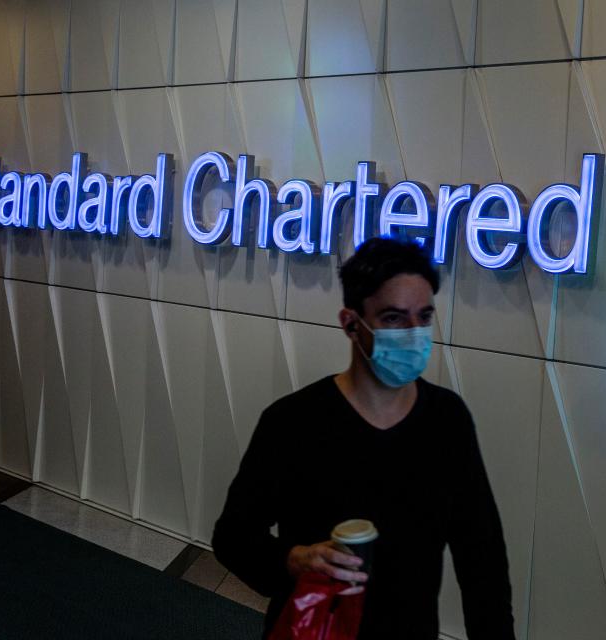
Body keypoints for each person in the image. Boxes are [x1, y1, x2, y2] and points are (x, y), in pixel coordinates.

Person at [211, 237, 515, 639]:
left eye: (423, 317)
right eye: (393, 318)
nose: (413, 333)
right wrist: (293, 559)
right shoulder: (294, 421)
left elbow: (482, 558)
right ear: (351, 323)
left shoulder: (446, 420)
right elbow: (232, 537)